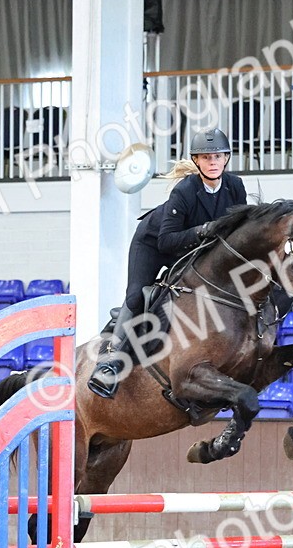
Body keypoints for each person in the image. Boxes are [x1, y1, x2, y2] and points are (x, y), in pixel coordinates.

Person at [88, 127, 248, 399]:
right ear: (196, 161)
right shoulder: (184, 191)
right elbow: (166, 240)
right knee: (138, 295)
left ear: (226, 159)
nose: (212, 162)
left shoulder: (235, 187)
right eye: (206, 157)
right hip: (155, 243)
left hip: (198, 248)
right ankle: (111, 360)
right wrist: (202, 231)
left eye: (218, 157)